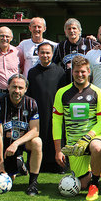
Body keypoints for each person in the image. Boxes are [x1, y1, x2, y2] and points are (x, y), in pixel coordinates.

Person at [53, 56, 101, 201]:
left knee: (97, 147)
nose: (80, 75)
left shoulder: (98, 93)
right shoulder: (62, 93)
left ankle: (95, 184)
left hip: (92, 137)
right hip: (73, 144)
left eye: (83, 71)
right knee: (81, 185)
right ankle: (93, 171)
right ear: (72, 72)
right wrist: (58, 150)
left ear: (89, 71)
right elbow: (57, 123)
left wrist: (88, 137)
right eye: (76, 72)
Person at [0, 73, 42, 196]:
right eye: (14, 87)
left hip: (23, 143)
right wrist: (0, 162)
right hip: (6, 146)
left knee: (37, 142)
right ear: (8, 87)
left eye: (20, 88)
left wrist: (17, 143)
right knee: (9, 176)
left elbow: (35, 130)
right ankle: (18, 165)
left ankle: (33, 183)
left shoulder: (31, 104)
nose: (17, 91)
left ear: (25, 89)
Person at [27, 42, 67, 173]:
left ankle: (58, 163)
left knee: (55, 135)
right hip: (38, 112)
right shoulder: (32, 72)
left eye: (48, 52)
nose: (45, 55)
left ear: (52, 54)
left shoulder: (60, 71)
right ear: (38, 54)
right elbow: (29, 94)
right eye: (42, 52)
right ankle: (39, 164)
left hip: (55, 111)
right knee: (39, 136)